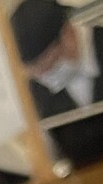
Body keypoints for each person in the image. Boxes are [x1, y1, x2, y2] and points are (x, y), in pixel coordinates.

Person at [11, 0, 103, 167]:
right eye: (39, 74)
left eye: (51, 66)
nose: (47, 79)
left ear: (68, 34)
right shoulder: (36, 90)